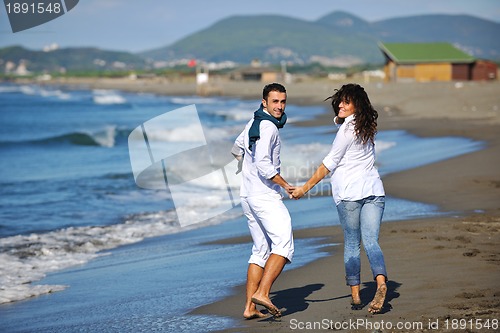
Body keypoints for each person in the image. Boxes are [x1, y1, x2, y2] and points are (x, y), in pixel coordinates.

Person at [292, 83, 388, 314]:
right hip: (375, 191)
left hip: (349, 195)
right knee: (372, 241)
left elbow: (329, 163)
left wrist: (304, 189)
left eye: (347, 102)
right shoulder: (368, 125)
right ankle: (382, 283)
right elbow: (346, 125)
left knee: (353, 244)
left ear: (357, 104)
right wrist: (340, 118)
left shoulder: (346, 130)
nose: (341, 105)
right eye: (340, 102)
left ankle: (356, 296)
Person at [231, 83, 295, 319]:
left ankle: (249, 308)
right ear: (264, 102)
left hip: (247, 195)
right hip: (264, 196)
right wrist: (284, 184)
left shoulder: (254, 122)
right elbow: (263, 164)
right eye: (275, 102)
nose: (279, 106)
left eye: (283, 101)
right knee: (284, 244)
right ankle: (263, 293)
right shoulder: (268, 127)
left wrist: (245, 170)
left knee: (260, 250)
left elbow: (237, 148)